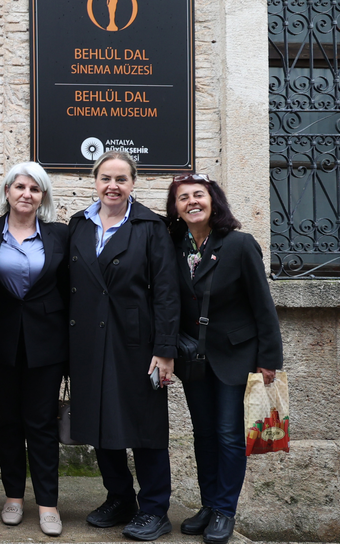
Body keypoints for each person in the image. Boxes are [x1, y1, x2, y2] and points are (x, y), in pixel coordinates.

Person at [67, 151, 180, 542]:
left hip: (137, 342)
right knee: (99, 422)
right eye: (105, 178)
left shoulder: (151, 226)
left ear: (133, 183)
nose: (112, 186)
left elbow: (167, 292)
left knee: (144, 425)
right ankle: (119, 497)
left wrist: (165, 350)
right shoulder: (79, 224)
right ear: (94, 181)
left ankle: (154, 508)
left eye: (121, 179)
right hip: (88, 340)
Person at [165, 174, 282, 544]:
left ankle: (225, 511)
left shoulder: (240, 244)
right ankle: (209, 504)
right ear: (176, 208)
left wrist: (269, 359)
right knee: (203, 434)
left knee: (229, 435)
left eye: (198, 195)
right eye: (183, 197)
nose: (192, 202)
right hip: (194, 358)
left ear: (213, 201)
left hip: (235, 355)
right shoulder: (174, 246)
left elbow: (263, 306)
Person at [0, 162, 68, 536]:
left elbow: (69, 290)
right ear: (7, 191)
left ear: (43, 197)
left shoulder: (60, 235)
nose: (26, 194)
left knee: (41, 423)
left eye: (34, 189)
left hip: (48, 344)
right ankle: (13, 497)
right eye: (20, 187)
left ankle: (48, 504)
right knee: (8, 421)